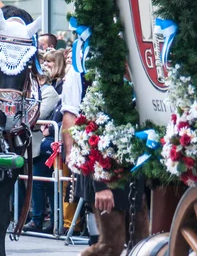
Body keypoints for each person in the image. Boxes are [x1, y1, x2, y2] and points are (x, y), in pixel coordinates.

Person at [61, 67, 149, 255]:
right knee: (111, 245)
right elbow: (93, 136)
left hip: (134, 175)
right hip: (105, 175)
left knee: (142, 242)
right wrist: (101, 186)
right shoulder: (100, 84)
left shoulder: (140, 80)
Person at [23, 123, 57, 233]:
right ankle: (52, 221)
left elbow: (42, 112)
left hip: (50, 143)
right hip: (46, 142)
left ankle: (39, 221)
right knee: (48, 184)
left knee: (43, 183)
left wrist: (49, 128)